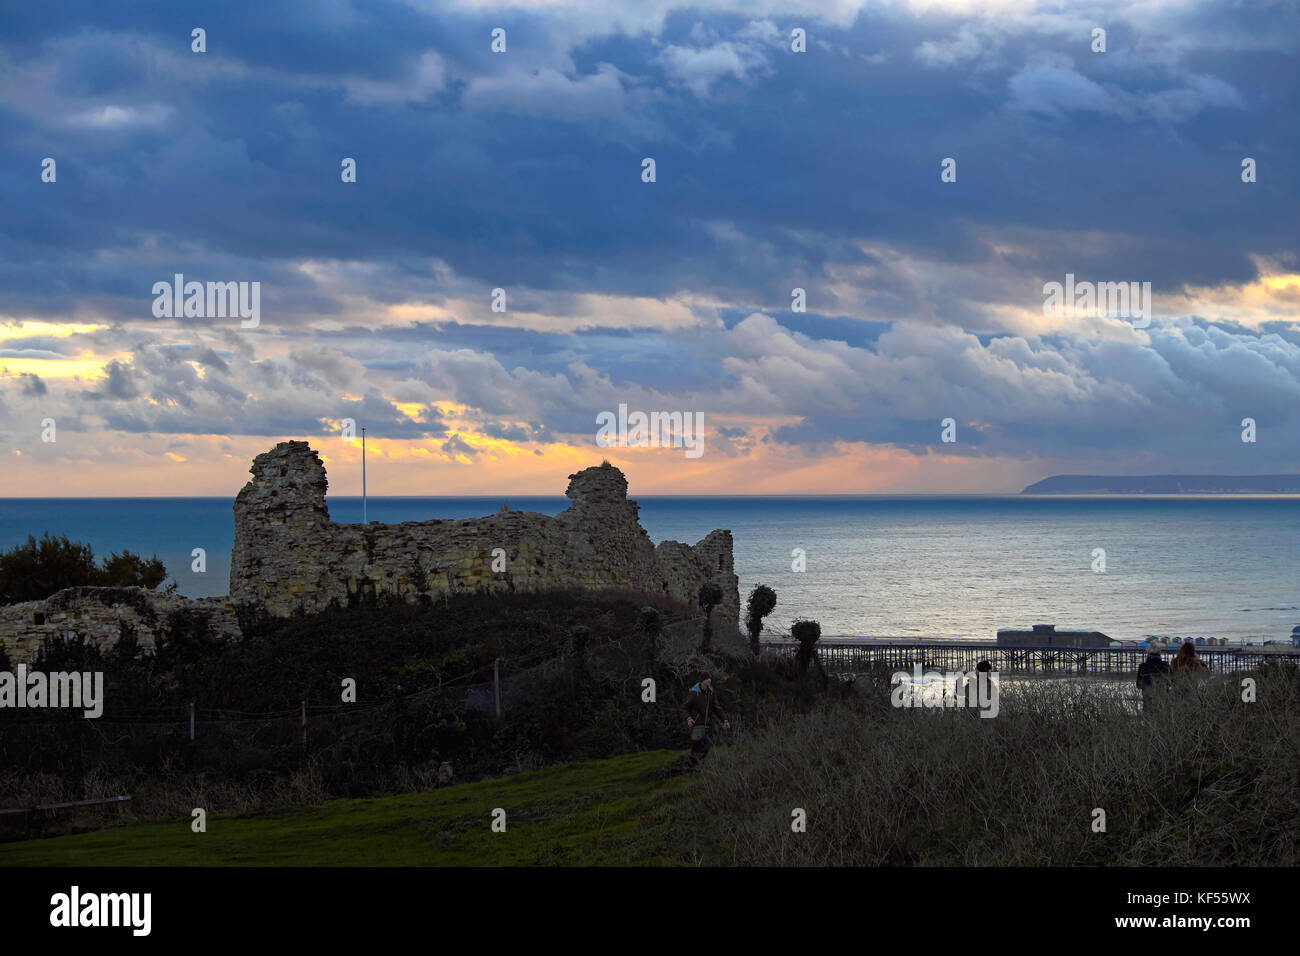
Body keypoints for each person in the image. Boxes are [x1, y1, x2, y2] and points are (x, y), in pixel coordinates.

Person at [683, 673, 730, 767]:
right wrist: (688, 718)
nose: (709, 680)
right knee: (705, 744)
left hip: (707, 723)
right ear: (702, 681)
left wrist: (725, 720)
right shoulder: (694, 692)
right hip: (697, 723)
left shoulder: (711, 692)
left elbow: (717, 708)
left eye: (710, 678)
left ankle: (693, 765)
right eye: (707, 678)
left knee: (699, 745)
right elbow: (685, 707)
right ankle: (697, 764)